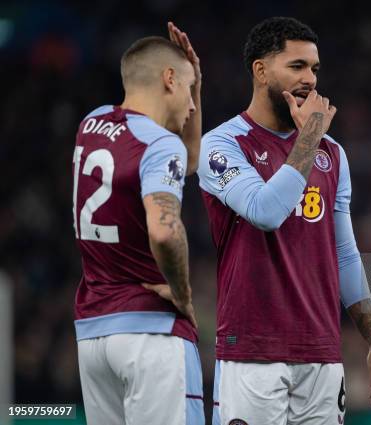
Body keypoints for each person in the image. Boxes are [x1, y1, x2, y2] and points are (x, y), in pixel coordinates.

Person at [197, 17, 371, 425]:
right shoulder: (223, 144)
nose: (309, 80)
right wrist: (309, 140)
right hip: (252, 352)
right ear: (261, 69)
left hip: (321, 354)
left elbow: (344, 253)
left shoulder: (332, 153)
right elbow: (265, 212)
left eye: (315, 69)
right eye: (297, 66)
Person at [72, 23, 205, 425]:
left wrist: (195, 81)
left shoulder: (90, 125)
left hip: (94, 335)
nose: (193, 105)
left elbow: (188, 163)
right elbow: (164, 231)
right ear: (169, 79)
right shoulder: (159, 145)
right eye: (188, 89)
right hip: (151, 332)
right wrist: (182, 294)